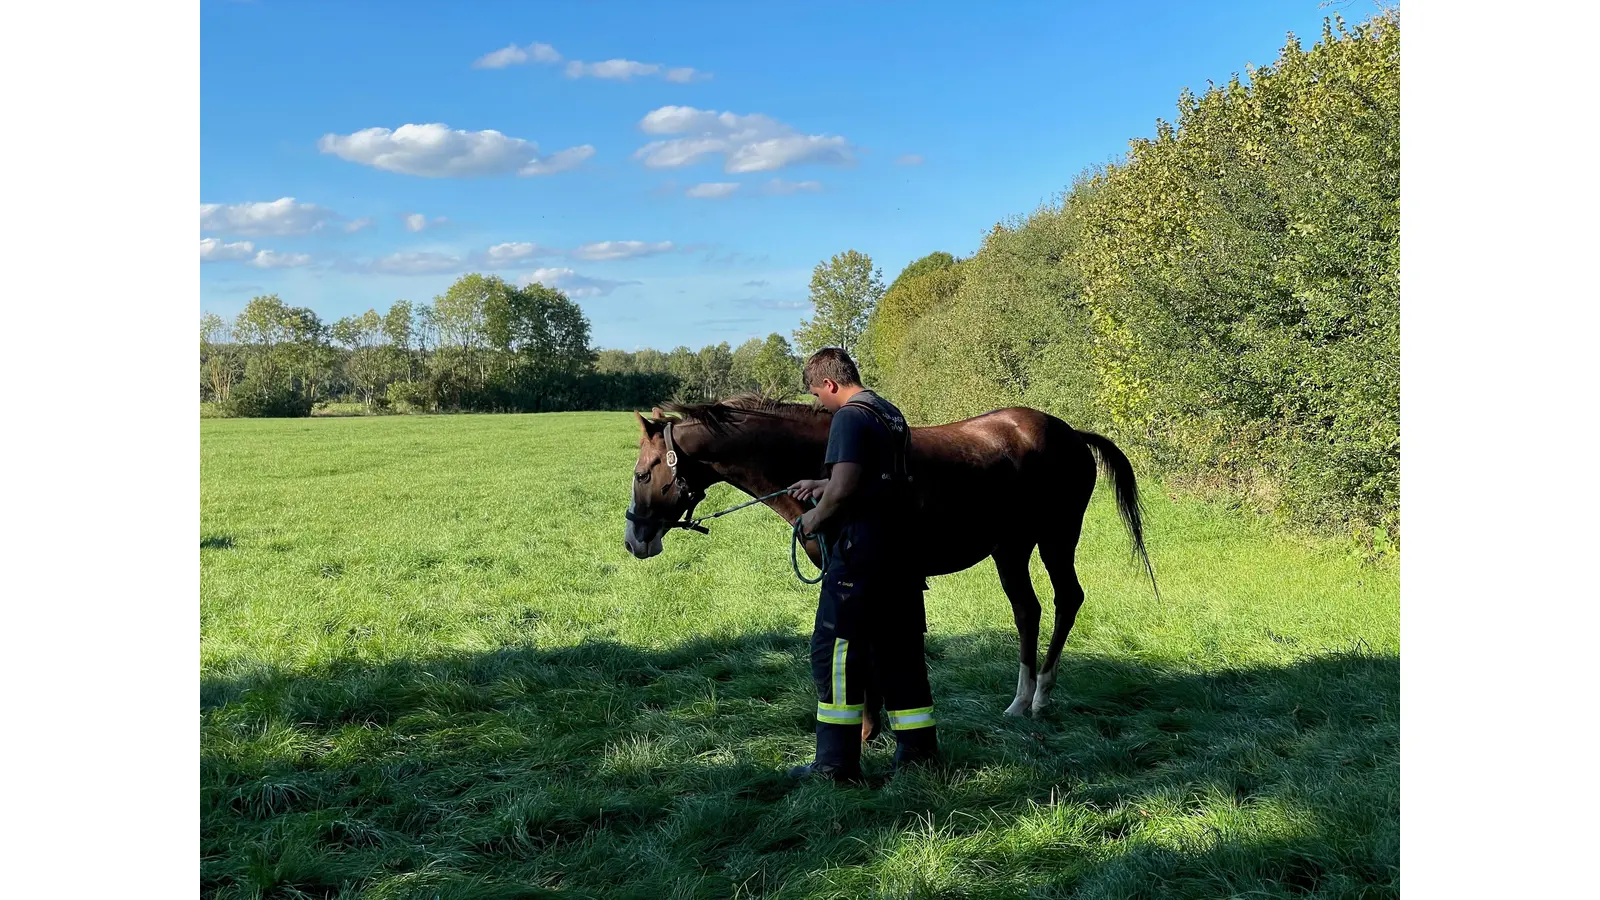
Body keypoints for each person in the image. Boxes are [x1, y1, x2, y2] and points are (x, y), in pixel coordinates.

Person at [786, 347, 938, 782]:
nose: (819, 402)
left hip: (861, 559)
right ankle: (918, 754)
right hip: (901, 555)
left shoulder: (849, 417)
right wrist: (822, 483)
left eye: (817, 394)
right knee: (900, 650)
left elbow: (848, 486)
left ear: (830, 384)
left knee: (833, 651)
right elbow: (879, 476)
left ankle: (834, 766)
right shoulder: (887, 412)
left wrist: (812, 516)